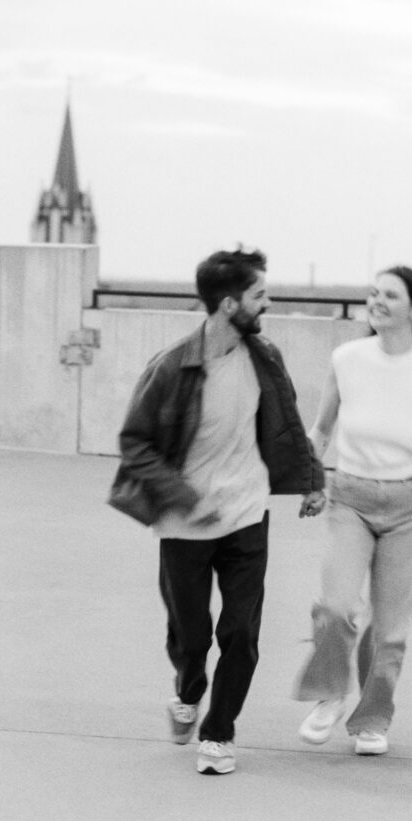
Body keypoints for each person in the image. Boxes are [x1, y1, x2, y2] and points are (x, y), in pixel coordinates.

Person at [109, 247, 325, 775]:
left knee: (241, 633)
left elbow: (288, 422)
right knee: (191, 633)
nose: (267, 302)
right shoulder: (172, 367)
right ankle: (187, 690)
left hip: (247, 515)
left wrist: (312, 480)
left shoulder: (265, 357)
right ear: (229, 304)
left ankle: (219, 733)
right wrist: (185, 498)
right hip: (185, 524)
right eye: (259, 295)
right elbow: (135, 443)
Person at [293, 265, 412, 756]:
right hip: (351, 497)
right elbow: (320, 430)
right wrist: (308, 475)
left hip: (411, 506)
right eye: (372, 293)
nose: (377, 301)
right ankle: (329, 695)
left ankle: (372, 719)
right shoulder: (347, 359)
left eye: (390, 295)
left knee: (389, 630)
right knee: (337, 607)